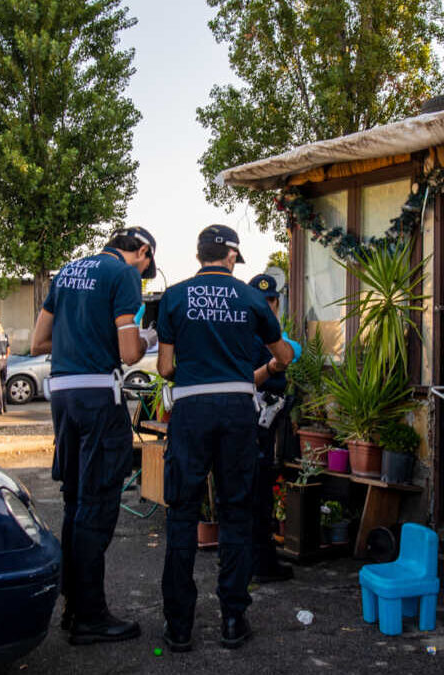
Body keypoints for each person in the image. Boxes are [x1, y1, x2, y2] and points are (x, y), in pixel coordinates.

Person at [156, 225, 293, 653]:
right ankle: (233, 619)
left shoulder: (174, 297)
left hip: (192, 410)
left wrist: (197, 372)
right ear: (231, 256)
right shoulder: (253, 298)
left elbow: (163, 367)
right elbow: (283, 355)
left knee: (182, 514)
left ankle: (179, 627)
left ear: (200, 254)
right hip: (237, 410)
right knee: (236, 513)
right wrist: (265, 366)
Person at [31, 226, 159, 646]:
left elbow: (37, 342)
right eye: (145, 266)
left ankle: (72, 605)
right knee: (98, 502)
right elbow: (128, 354)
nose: (142, 274)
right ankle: (89, 616)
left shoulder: (66, 271)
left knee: (74, 499)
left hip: (62, 395)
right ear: (141, 251)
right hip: (97, 395)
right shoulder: (121, 274)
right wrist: (148, 337)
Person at [248, 273, 301, 583]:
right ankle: (257, 563)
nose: (268, 305)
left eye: (272, 300)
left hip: (271, 419)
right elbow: (245, 380)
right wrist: (272, 367)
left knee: (264, 491)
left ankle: (263, 559)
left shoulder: (274, 333)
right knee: (254, 493)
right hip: (253, 419)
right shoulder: (248, 334)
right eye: (261, 300)